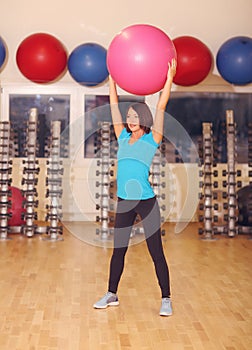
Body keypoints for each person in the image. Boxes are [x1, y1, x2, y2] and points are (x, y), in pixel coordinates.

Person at [93, 59, 177, 316]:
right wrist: (112, 82)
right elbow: (114, 107)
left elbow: (162, 105)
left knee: (156, 252)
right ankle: (111, 294)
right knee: (118, 251)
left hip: (146, 201)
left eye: (135, 116)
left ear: (144, 118)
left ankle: (166, 298)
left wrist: (169, 79)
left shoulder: (153, 139)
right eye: (129, 116)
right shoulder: (122, 136)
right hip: (125, 201)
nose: (130, 119)